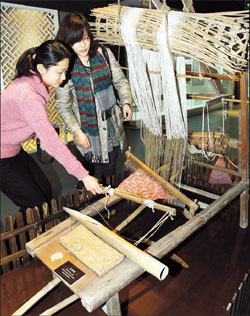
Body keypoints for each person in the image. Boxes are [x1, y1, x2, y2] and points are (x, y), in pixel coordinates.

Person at [0, 40, 104, 212]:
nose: (64, 77)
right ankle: (28, 237)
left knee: (45, 192)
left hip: (13, 149)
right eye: (60, 72)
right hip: (2, 155)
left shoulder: (31, 81)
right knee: (35, 202)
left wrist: (34, 131)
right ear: (42, 68)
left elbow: (15, 118)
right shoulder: (27, 95)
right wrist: (83, 176)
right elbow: (52, 143)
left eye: (66, 71)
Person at [55, 13, 133, 189]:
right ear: (67, 41)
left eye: (85, 38)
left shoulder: (103, 53)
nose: (83, 45)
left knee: (109, 172)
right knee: (85, 174)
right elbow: (63, 106)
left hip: (110, 124)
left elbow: (120, 81)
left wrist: (126, 102)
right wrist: (76, 130)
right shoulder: (65, 67)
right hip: (86, 130)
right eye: (76, 41)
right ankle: (85, 205)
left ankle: (108, 206)